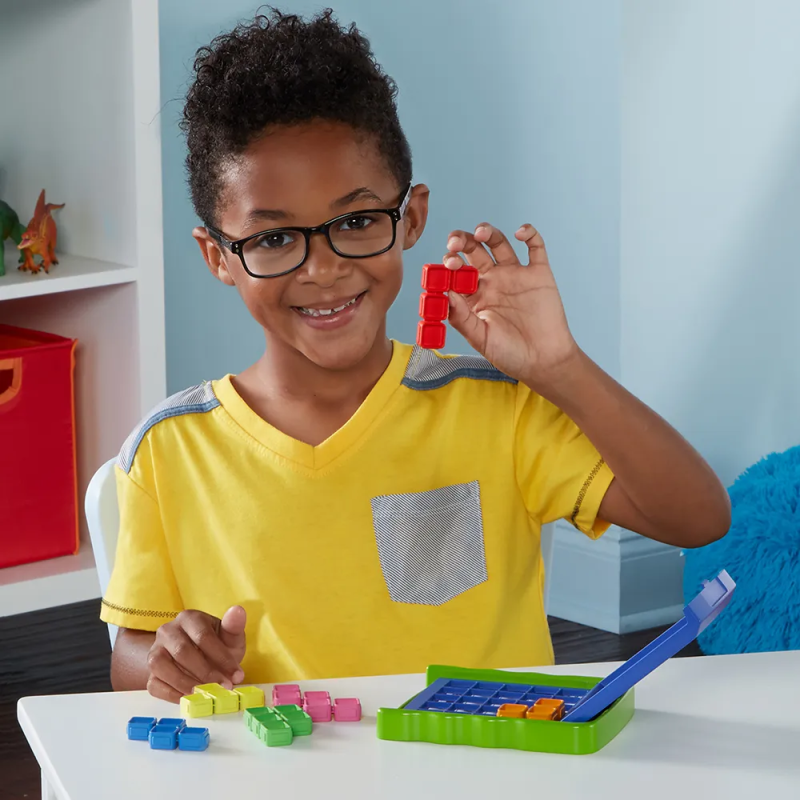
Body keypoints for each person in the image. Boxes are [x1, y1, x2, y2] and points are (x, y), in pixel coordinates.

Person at [101, 8, 730, 703]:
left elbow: (699, 519)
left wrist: (561, 369)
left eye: (356, 221)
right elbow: (132, 658)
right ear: (218, 257)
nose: (323, 268)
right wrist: (171, 660)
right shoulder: (167, 450)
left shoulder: (498, 408)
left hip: (483, 756)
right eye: (274, 239)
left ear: (413, 217)